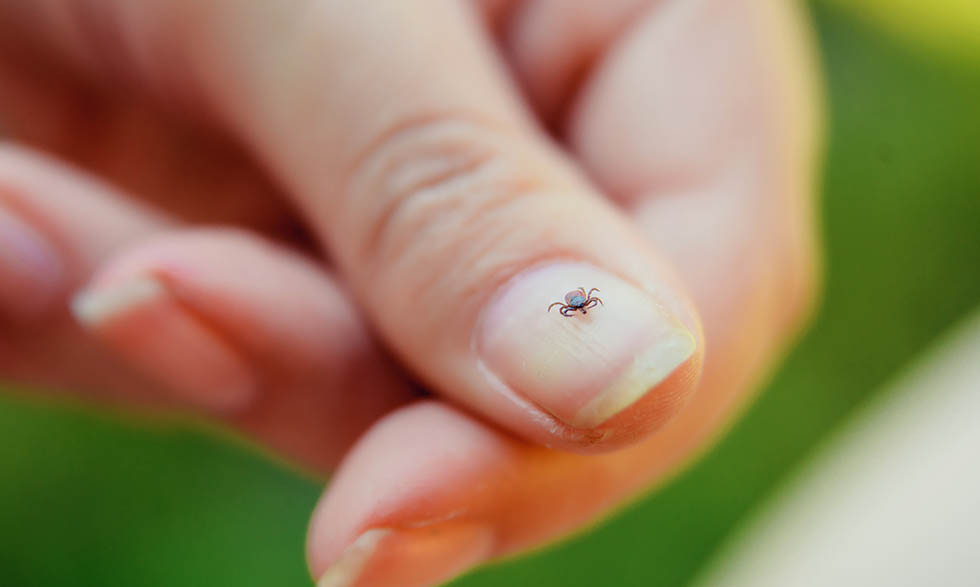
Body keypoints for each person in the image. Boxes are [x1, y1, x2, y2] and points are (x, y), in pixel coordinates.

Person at [0, 1, 821, 585]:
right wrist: (436, 195)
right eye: (571, 304)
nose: (578, 308)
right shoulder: (568, 299)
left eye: (571, 304)